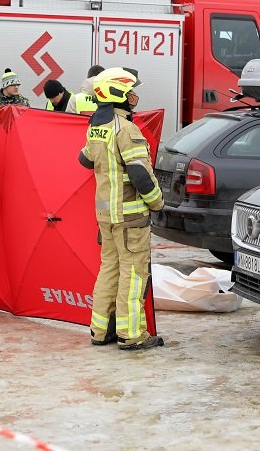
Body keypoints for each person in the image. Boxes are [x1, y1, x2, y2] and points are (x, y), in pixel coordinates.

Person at [78, 67, 165, 350]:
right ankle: (131, 334)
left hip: (106, 216)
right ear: (119, 94)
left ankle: (101, 330)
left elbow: (85, 159)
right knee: (133, 274)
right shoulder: (126, 129)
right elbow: (140, 174)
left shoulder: (97, 126)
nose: (134, 96)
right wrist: (157, 202)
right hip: (130, 217)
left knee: (110, 270)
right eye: (130, 91)